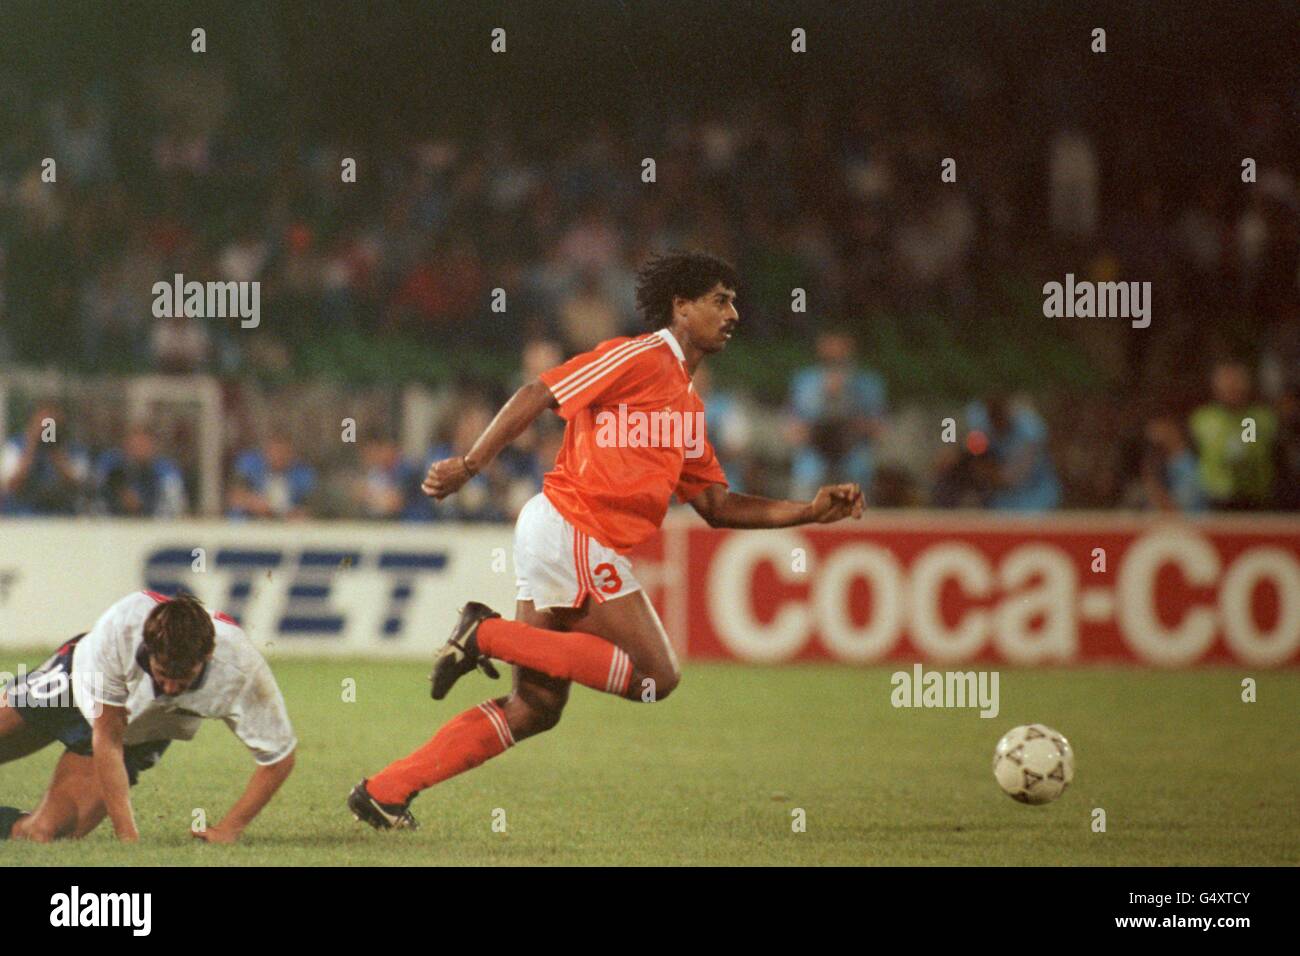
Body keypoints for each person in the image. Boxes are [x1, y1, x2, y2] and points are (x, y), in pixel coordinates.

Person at [347, 251, 864, 829]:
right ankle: (485, 633)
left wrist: (809, 512)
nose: (733, 313)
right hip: (574, 526)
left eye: (735, 301)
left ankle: (387, 790)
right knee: (656, 677)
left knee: (536, 707)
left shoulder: (688, 406)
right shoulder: (638, 356)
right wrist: (471, 464)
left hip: (561, 531)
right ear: (681, 306)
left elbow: (717, 505)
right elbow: (539, 392)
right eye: (720, 300)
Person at [0, 591, 296, 843]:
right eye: (164, 674)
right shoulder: (121, 627)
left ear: (207, 657)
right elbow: (107, 736)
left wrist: (229, 829)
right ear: (148, 648)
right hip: (72, 681)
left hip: (141, 732)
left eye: (183, 679)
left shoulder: (241, 669)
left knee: (43, 834)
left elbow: (279, 757)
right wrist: (129, 836)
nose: (169, 688)